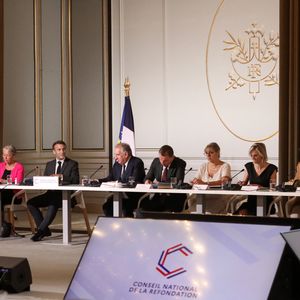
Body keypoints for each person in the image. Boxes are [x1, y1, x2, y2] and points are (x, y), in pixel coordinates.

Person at [27, 140, 79, 241]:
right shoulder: (49, 164)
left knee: (53, 203)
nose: (62, 152)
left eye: (63, 149)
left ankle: (40, 231)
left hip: (66, 196)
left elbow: (75, 180)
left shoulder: (72, 164)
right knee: (30, 203)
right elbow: (45, 180)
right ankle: (45, 230)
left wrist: (62, 176)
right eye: (59, 150)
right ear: (54, 152)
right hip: (50, 194)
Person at [101, 143, 145, 217]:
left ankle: (127, 227)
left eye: (117, 155)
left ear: (126, 154)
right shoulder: (117, 164)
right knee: (107, 206)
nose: (115, 158)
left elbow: (134, 181)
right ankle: (113, 226)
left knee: (125, 208)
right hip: (119, 195)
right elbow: (110, 178)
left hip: (132, 196)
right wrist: (97, 181)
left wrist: (117, 182)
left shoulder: (137, 162)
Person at [140, 145, 187, 212]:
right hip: (158, 197)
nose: (162, 162)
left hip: (174, 198)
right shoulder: (156, 162)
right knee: (143, 210)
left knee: (167, 213)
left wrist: (157, 185)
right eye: (160, 159)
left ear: (172, 157)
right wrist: (147, 181)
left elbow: (177, 182)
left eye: (165, 160)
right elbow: (147, 177)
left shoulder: (180, 163)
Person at [189, 142, 231, 213]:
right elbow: (197, 179)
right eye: (206, 153)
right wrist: (194, 181)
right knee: (192, 214)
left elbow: (224, 181)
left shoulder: (225, 165)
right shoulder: (203, 166)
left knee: (207, 214)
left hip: (218, 198)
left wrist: (205, 183)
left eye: (211, 152)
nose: (208, 155)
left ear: (218, 152)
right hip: (201, 197)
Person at [237, 143, 277, 215]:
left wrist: (261, 187)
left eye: (255, 155)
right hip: (251, 201)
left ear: (262, 155)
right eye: (251, 156)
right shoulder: (248, 166)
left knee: (257, 215)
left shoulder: (272, 168)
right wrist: (241, 183)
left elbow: (273, 188)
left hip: (266, 202)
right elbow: (244, 184)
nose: (253, 158)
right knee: (240, 213)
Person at [0, 145, 24, 225]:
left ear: (13, 155)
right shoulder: (1, 165)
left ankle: (2, 224)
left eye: (8, 155)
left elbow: (18, 182)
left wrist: (4, 181)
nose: (5, 157)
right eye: (4, 155)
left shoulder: (19, 167)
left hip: (15, 195)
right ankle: (3, 224)